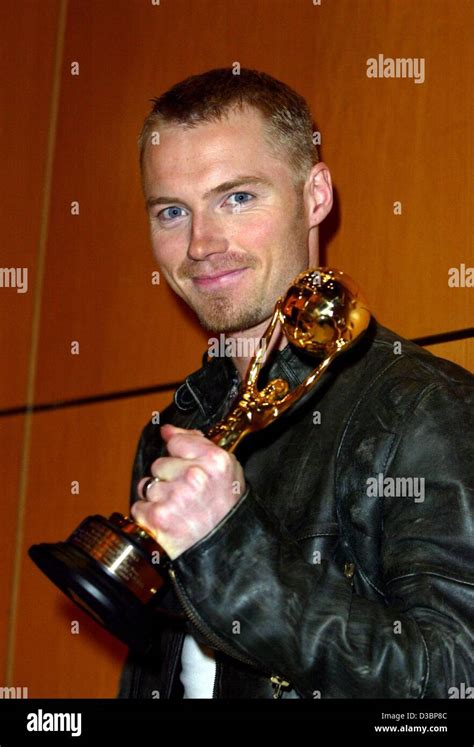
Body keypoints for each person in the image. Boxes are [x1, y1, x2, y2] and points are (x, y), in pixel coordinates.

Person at [117, 67, 473, 699]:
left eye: (237, 198)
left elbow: (453, 683)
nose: (201, 244)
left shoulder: (421, 406)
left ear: (315, 196)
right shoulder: (178, 428)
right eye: (173, 211)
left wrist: (227, 549)